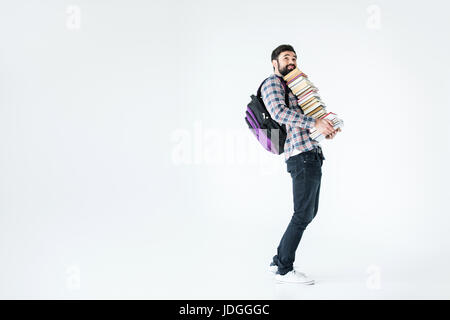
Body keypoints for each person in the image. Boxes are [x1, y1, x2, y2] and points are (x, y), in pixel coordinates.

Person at [260, 44, 340, 284]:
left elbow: (302, 122)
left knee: (309, 212)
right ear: (275, 63)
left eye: (294, 57)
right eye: (286, 57)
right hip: (300, 155)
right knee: (302, 213)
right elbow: (279, 113)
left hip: (311, 152)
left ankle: (277, 262)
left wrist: (322, 130)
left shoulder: (293, 86)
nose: (291, 61)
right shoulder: (272, 83)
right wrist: (314, 122)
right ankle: (284, 268)